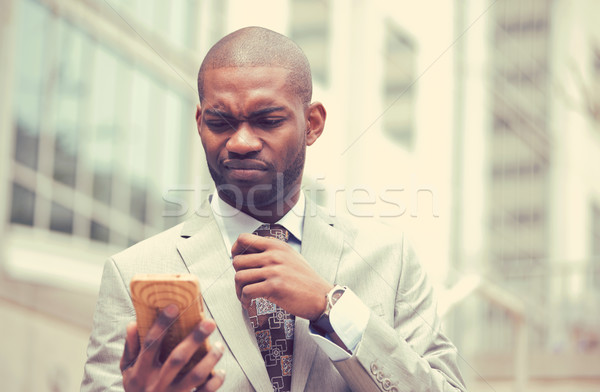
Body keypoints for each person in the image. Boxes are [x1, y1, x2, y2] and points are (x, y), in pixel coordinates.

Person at [81, 26, 466, 392]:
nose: (242, 141)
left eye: (267, 120)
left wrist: (330, 307)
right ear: (200, 123)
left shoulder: (390, 261)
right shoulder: (131, 272)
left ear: (312, 124)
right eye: (220, 121)